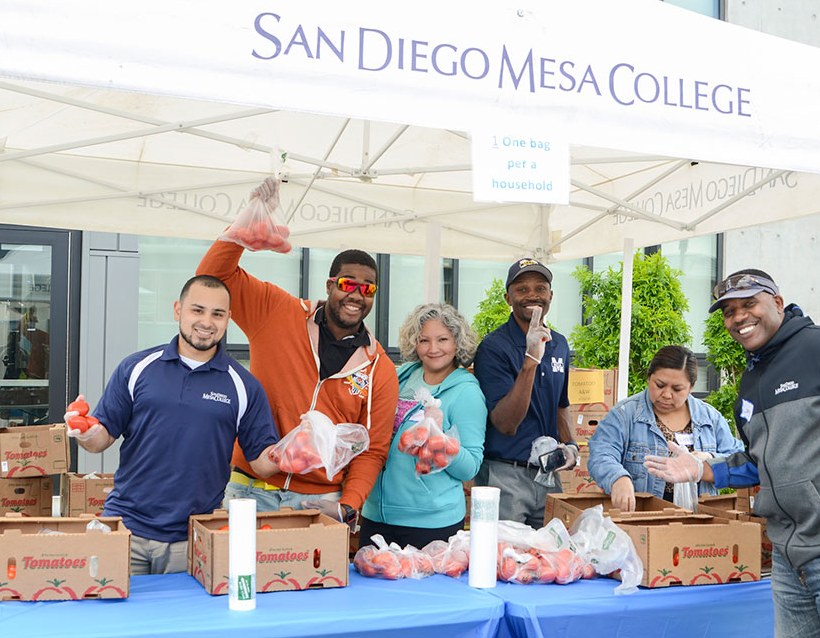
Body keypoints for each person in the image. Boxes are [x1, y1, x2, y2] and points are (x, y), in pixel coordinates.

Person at [645, 269, 820, 638]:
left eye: (749, 304)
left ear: (777, 303)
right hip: (789, 555)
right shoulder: (752, 382)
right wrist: (702, 470)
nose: (738, 317)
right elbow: (760, 462)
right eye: (728, 311)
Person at [197, 177, 398, 525]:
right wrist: (246, 221)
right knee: (237, 579)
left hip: (319, 502)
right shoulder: (279, 312)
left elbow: (374, 450)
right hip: (250, 490)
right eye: (348, 284)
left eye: (368, 289)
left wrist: (347, 506)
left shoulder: (379, 367)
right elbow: (212, 279)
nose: (357, 295)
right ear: (330, 285)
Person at [64, 275, 280, 575]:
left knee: (183, 622)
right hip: (126, 527)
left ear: (228, 319)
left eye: (217, 314)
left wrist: (290, 453)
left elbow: (262, 463)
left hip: (192, 537)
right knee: (110, 619)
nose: (206, 321)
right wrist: (84, 431)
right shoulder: (137, 367)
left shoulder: (243, 385)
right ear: (178, 310)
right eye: (197, 310)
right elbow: (100, 439)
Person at [360, 303, 487, 549]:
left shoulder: (467, 392)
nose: (433, 349)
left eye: (443, 339)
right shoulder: (401, 377)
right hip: (376, 516)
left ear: (457, 343)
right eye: (424, 340)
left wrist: (442, 441)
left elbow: (470, 468)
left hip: (431, 524)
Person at [473, 258, 577, 529]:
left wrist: (572, 446)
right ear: (508, 297)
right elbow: (506, 424)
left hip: (548, 475)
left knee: (548, 561)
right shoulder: (494, 347)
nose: (532, 295)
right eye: (522, 289)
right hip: (505, 475)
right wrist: (530, 360)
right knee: (503, 560)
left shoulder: (560, 344)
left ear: (550, 295)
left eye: (540, 288)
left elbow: (561, 404)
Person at [588, 345, 743, 511]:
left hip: (700, 520)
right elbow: (601, 454)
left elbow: (739, 459)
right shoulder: (625, 415)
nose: (667, 395)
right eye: (660, 385)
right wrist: (618, 478)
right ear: (649, 378)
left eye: (677, 389)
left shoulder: (710, 418)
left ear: (691, 387)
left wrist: (709, 458)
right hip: (644, 519)